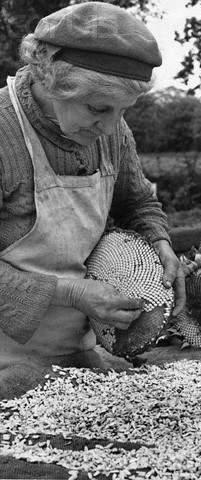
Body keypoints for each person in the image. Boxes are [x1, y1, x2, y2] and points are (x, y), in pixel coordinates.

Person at [0, 1, 185, 369]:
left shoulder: (110, 130)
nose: (110, 126)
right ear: (51, 80)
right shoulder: (5, 132)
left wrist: (160, 241)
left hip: (77, 347)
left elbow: (135, 204)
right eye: (99, 109)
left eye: (123, 111)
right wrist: (71, 292)